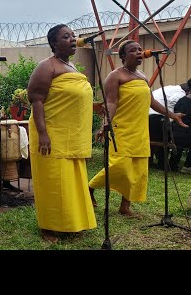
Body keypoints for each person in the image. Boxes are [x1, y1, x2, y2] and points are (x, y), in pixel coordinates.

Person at [89, 39, 187, 216]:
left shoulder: (142, 76)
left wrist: (172, 115)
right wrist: (106, 124)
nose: (139, 52)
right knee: (120, 166)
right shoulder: (115, 76)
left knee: (138, 170)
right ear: (123, 56)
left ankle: (125, 206)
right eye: (133, 50)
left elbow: (151, 102)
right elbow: (111, 102)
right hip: (122, 128)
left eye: (140, 49)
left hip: (140, 130)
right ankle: (90, 188)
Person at [27, 24, 97, 243]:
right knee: (53, 182)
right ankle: (48, 227)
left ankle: (71, 223)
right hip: (51, 134)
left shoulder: (72, 68)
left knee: (71, 182)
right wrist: (43, 133)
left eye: (73, 36)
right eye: (66, 36)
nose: (72, 39)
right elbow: (36, 99)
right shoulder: (46, 66)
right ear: (53, 44)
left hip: (71, 135)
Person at [148, 80, 190, 169]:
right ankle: (162, 164)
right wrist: (172, 118)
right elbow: (171, 103)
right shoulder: (180, 94)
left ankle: (157, 162)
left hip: (150, 114)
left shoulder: (172, 88)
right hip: (156, 116)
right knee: (168, 136)